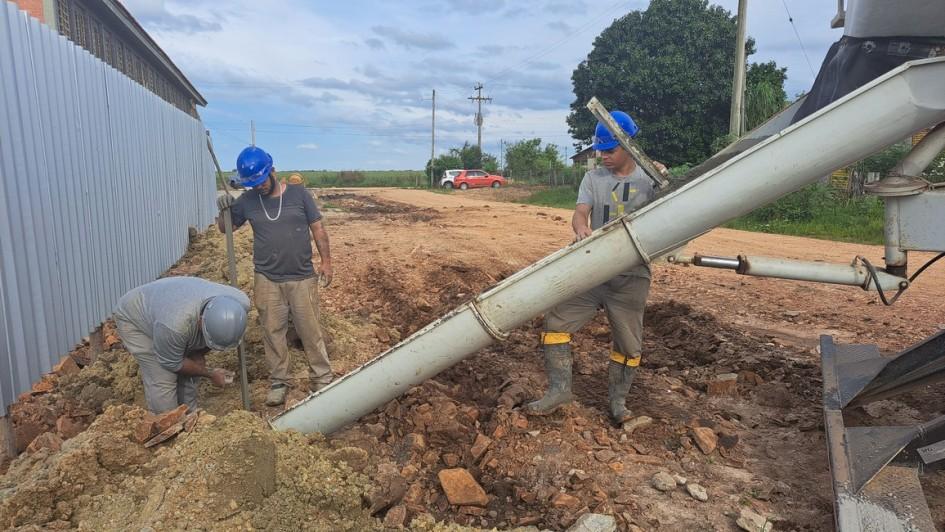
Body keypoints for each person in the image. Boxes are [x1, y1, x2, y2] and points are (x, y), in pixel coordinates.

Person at [525, 111, 664, 425]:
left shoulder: (651, 178)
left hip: (631, 275)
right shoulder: (594, 178)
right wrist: (581, 228)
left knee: (629, 344)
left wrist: (664, 182)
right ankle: (560, 391)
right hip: (595, 269)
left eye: (609, 150)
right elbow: (580, 213)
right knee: (556, 322)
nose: (602, 156)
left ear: (628, 145)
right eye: (599, 150)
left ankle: (618, 403)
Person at [217, 146, 334, 406]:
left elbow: (318, 229)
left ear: (272, 170)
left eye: (261, 181)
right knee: (272, 330)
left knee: (310, 329)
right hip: (267, 278)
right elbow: (226, 229)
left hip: (302, 276)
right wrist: (223, 209)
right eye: (253, 183)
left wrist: (326, 262)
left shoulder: (299, 194)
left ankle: (322, 378)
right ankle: (279, 380)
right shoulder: (247, 201)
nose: (258, 187)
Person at [114, 276, 249, 414]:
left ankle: (190, 416)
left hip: (173, 303)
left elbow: (199, 352)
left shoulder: (241, 304)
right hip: (135, 317)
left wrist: (198, 356)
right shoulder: (174, 325)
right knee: (163, 377)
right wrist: (209, 374)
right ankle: (169, 426)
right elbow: (171, 362)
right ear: (200, 322)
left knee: (194, 363)